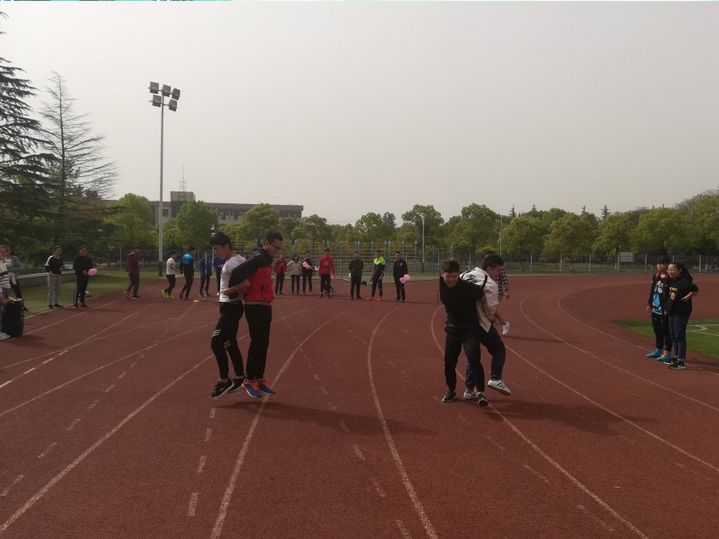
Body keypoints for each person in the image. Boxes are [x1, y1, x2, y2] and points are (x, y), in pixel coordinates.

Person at [224, 231, 284, 398]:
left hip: (264, 304)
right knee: (257, 342)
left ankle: (259, 378)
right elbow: (237, 273)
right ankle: (249, 380)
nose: (276, 251)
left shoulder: (266, 259)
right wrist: (234, 293)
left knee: (263, 342)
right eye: (275, 247)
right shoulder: (258, 258)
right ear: (267, 243)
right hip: (254, 305)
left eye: (279, 248)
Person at [438, 259, 489, 406]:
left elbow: (482, 297)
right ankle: (451, 390)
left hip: (470, 329)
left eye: (454, 276)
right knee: (449, 362)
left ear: (458, 275)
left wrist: (487, 314)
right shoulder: (442, 286)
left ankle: (481, 393)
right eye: (448, 276)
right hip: (453, 329)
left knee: (474, 358)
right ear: (442, 275)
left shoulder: (468, 287)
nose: (451, 279)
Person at [461, 254, 512, 398]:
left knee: (473, 356)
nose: (498, 275)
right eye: (497, 271)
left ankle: (469, 390)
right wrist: (494, 318)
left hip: (462, 323)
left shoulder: (464, 274)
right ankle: (495, 378)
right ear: (489, 269)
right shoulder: (490, 283)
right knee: (499, 349)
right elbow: (490, 311)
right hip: (480, 324)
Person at [208, 232, 248, 399]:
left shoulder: (232, 263)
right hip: (232, 306)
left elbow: (246, 284)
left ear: (226, 246)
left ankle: (224, 380)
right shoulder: (239, 259)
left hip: (231, 307)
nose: (216, 253)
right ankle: (240, 376)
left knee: (216, 342)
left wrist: (226, 291)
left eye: (217, 249)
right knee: (229, 342)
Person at [663, 262, 699, 370]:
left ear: (679, 270)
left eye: (673, 269)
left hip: (681, 312)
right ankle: (676, 356)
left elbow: (695, 290)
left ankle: (681, 361)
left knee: (680, 336)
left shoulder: (684, 282)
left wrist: (687, 297)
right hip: (672, 312)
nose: (670, 271)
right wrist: (667, 309)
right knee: (673, 335)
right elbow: (671, 296)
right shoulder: (671, 281)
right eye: (669, 269)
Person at [645, 257, 672, 361]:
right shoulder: (656, 276)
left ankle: (667, 352)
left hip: (664, 309)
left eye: (662, 263)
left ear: (667, 265)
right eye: (658, 263)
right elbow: (652, 290)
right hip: (655, 307)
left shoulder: (670, 278)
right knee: (657, 330)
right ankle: (658, 349)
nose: (659, 266)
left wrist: (668, 308)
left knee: (666, 331)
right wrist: (650, 303)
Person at [4, 246, 26, 311]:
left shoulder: (14, 258)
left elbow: (18, 267)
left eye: (9, 250)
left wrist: (9, 269)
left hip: (14, 278)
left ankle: (21, 305)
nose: (8, 251)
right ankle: (6, 306)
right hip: (5, 278)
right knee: (6, 292)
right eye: (7, 250)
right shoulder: (2, 258)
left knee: (17, 292)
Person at [0, 246, 12, 341]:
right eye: (2, 252)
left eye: (5, 252)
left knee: (3, 311)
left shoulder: (2, 264)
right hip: (2, 290)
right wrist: (0, 293)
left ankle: (1, 330)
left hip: (6, 289)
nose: (4, 254)